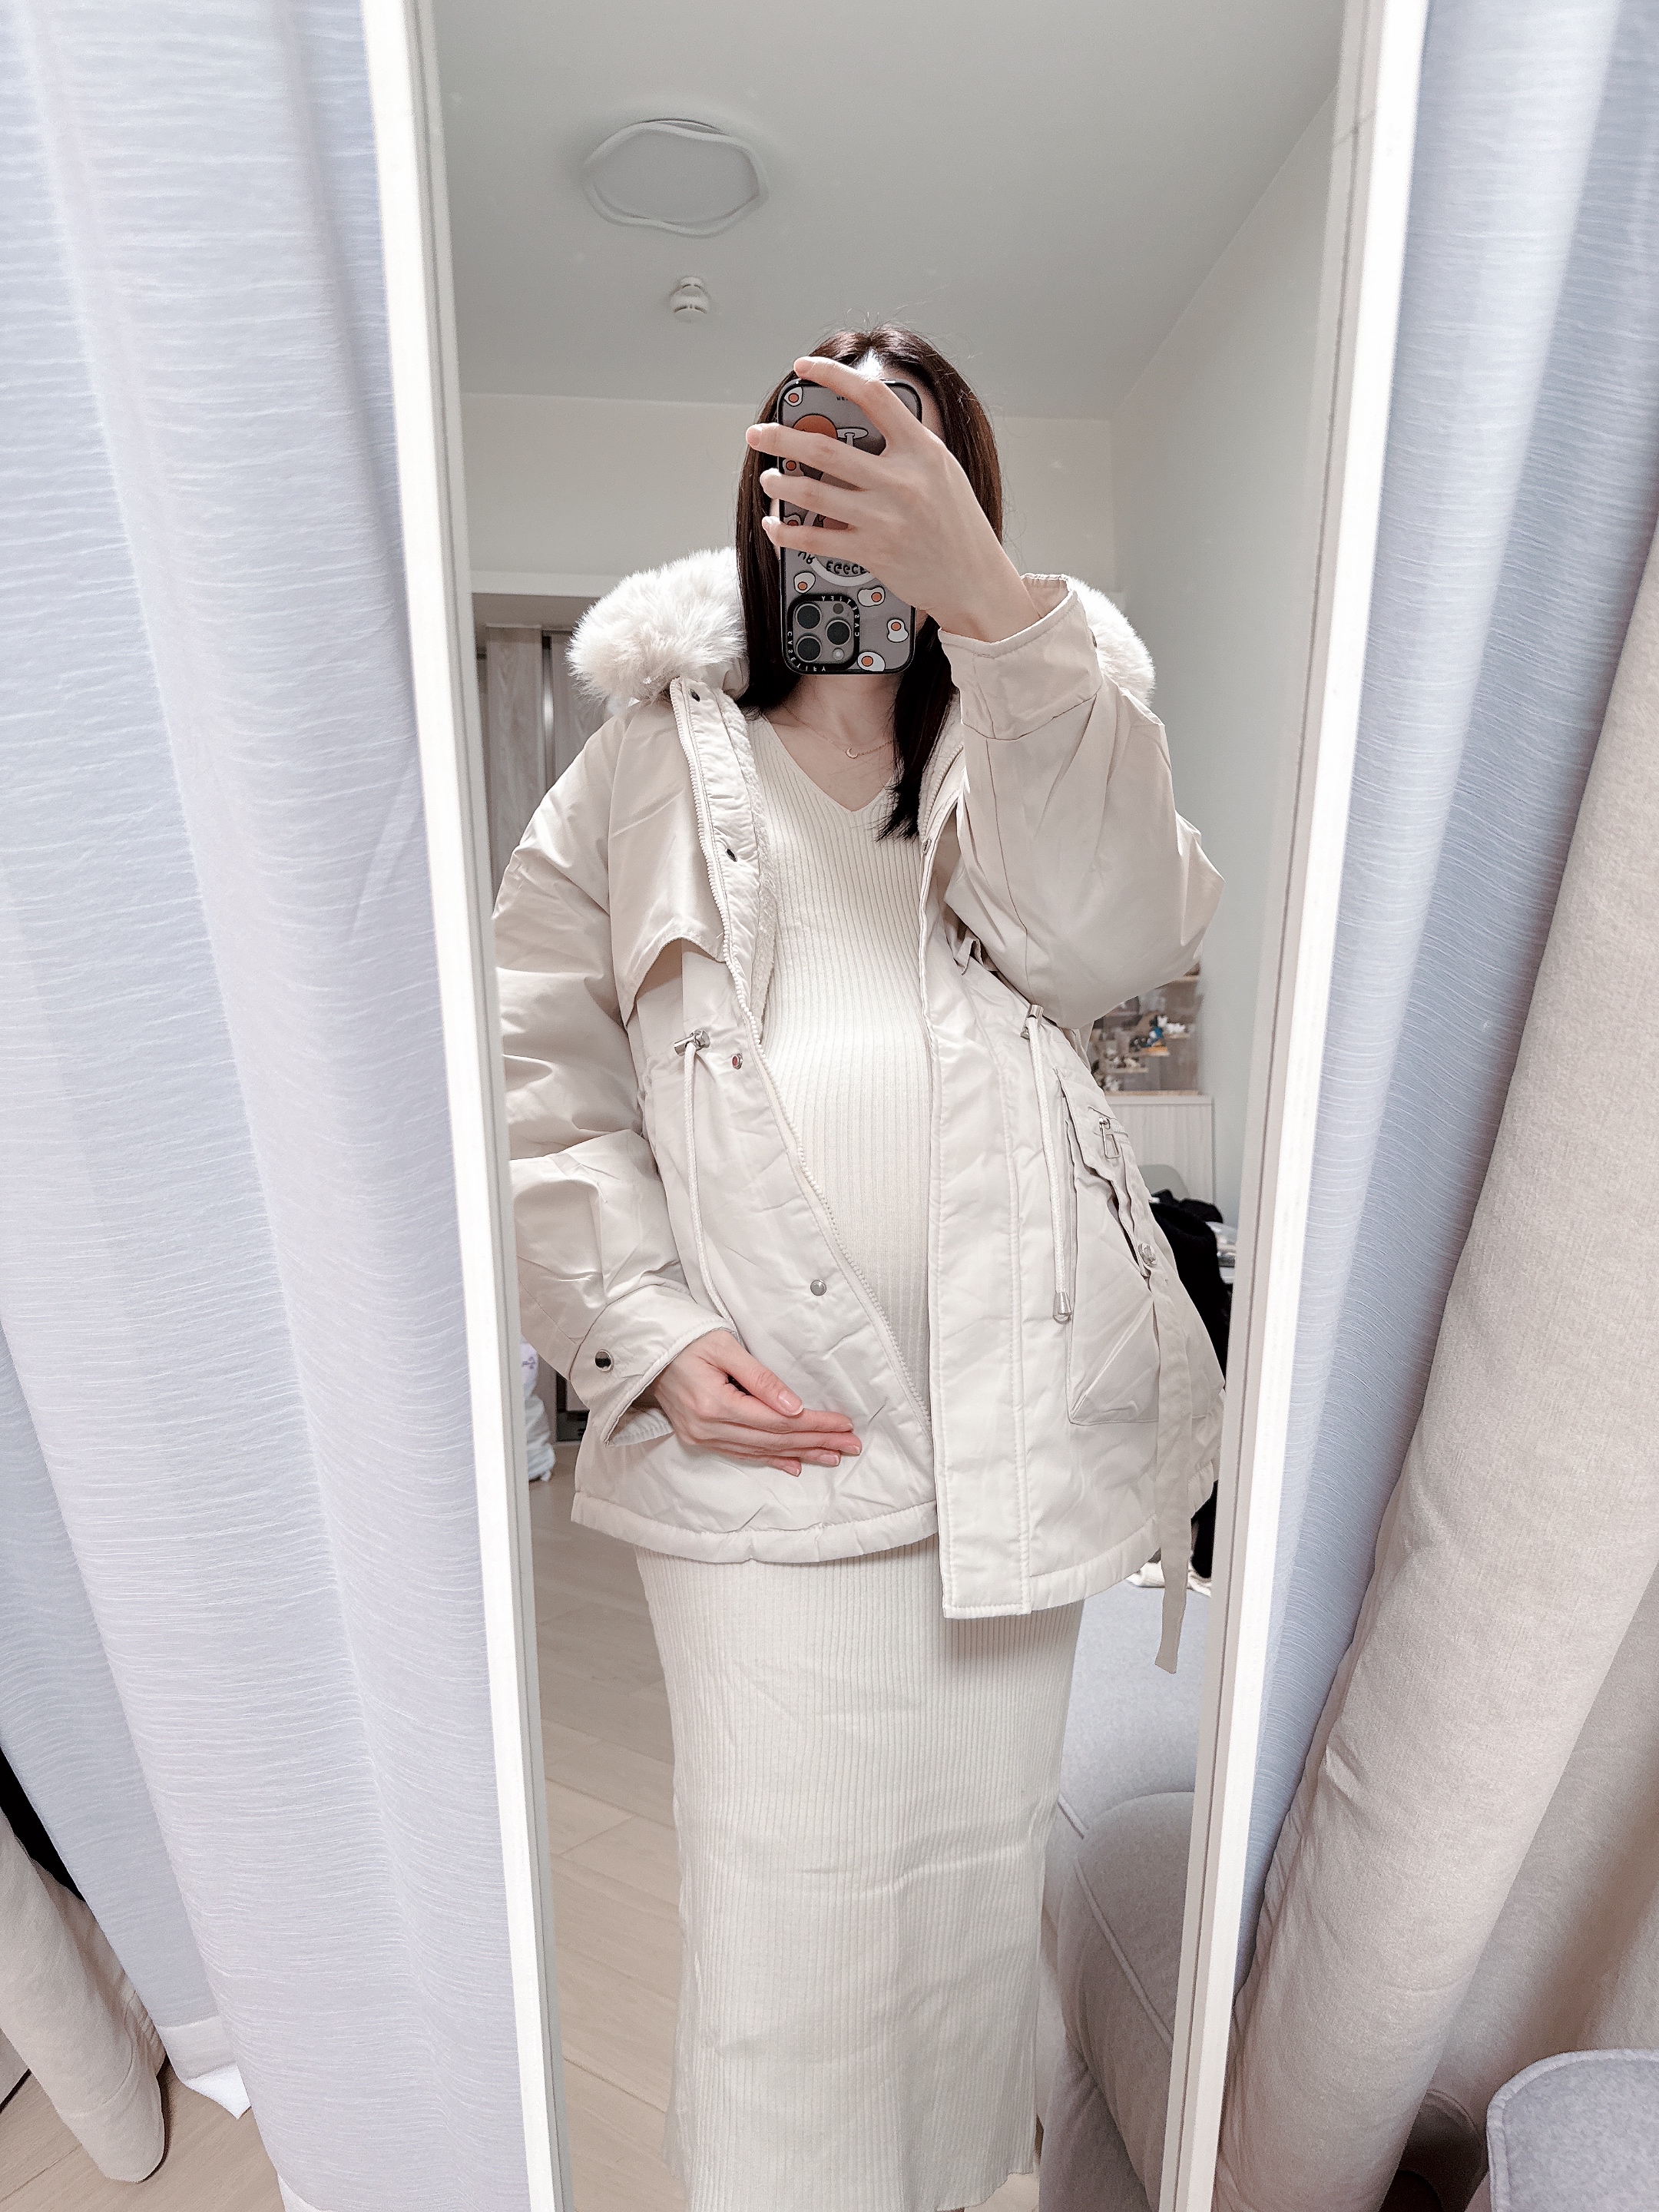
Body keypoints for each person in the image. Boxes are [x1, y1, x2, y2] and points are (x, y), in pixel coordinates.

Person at [495, 326, 1224, 2212]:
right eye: (816, 462)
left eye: (908, 463)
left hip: (1013, 1438)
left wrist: (998, 610)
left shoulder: (1039, 725)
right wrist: (641, 1330)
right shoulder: (643, 764)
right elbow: (534, 1076)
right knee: (791, 1942)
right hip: (771, 1453)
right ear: (762, 499)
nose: (852, 501)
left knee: (971, 1934)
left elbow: (1123, 940)